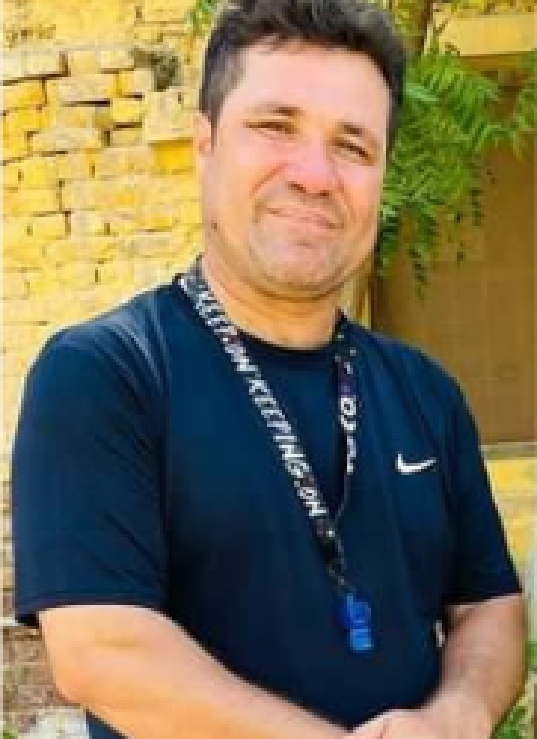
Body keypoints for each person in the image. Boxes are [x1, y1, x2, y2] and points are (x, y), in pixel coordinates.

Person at [12, 0, 526, 737]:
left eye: (352, 145)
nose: (315, 175)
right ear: (204, 144)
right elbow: (102, 650)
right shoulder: (105, 375)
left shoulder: (424, 391)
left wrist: (457, 714)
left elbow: (487, 605)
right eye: (276, 126)